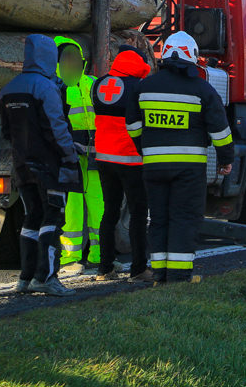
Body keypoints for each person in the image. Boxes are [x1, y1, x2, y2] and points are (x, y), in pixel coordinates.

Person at [126, 31, 234, 283]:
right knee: (183, 218)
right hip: (188, 168)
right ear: (192, 57)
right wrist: (225, 159)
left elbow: (132, 125)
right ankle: (179, 275)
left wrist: (146, 147)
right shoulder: (202, 90)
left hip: (153, 166)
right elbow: (220, 131)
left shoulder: (144, 87)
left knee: (159, 218)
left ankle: (160, 273)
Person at [0, 34, 81, 296]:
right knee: (52, 220)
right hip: (50, 166)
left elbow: (6, 132)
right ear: (48, 58)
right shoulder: (45, 88)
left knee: (31, 218)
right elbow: (57, 128)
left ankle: (25, 278)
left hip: (22, 166)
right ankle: (47, 278)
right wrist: (70, 155)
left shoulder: (8, 88)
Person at [92, 46, 152, 282]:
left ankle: (104, 268)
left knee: (109, 212)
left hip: (104, 157)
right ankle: (138, 269)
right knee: (138, 213)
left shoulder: (99, 85)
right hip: (131, 159)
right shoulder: (137, 88)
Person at [54, 36, 103, 274]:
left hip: (95, 155)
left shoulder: (92, 83)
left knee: (98, 204)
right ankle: (69, 258)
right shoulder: (56, 87)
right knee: (71, 208)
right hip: (70, 154)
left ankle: (99, 255)